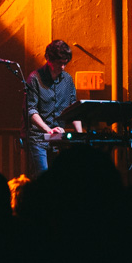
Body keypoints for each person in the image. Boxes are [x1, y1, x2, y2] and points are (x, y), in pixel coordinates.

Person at [24, 39, 82, 177]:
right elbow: (31, 110)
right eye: (59, 63)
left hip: (59, 140)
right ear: (48, 59)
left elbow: (73, 107)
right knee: (42, 177)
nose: (62, 67)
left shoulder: (67, 80)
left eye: (65, 63)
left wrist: (80, 135)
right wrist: (49, 130)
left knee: (60, 178)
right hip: (38, 139)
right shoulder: (35, 78)